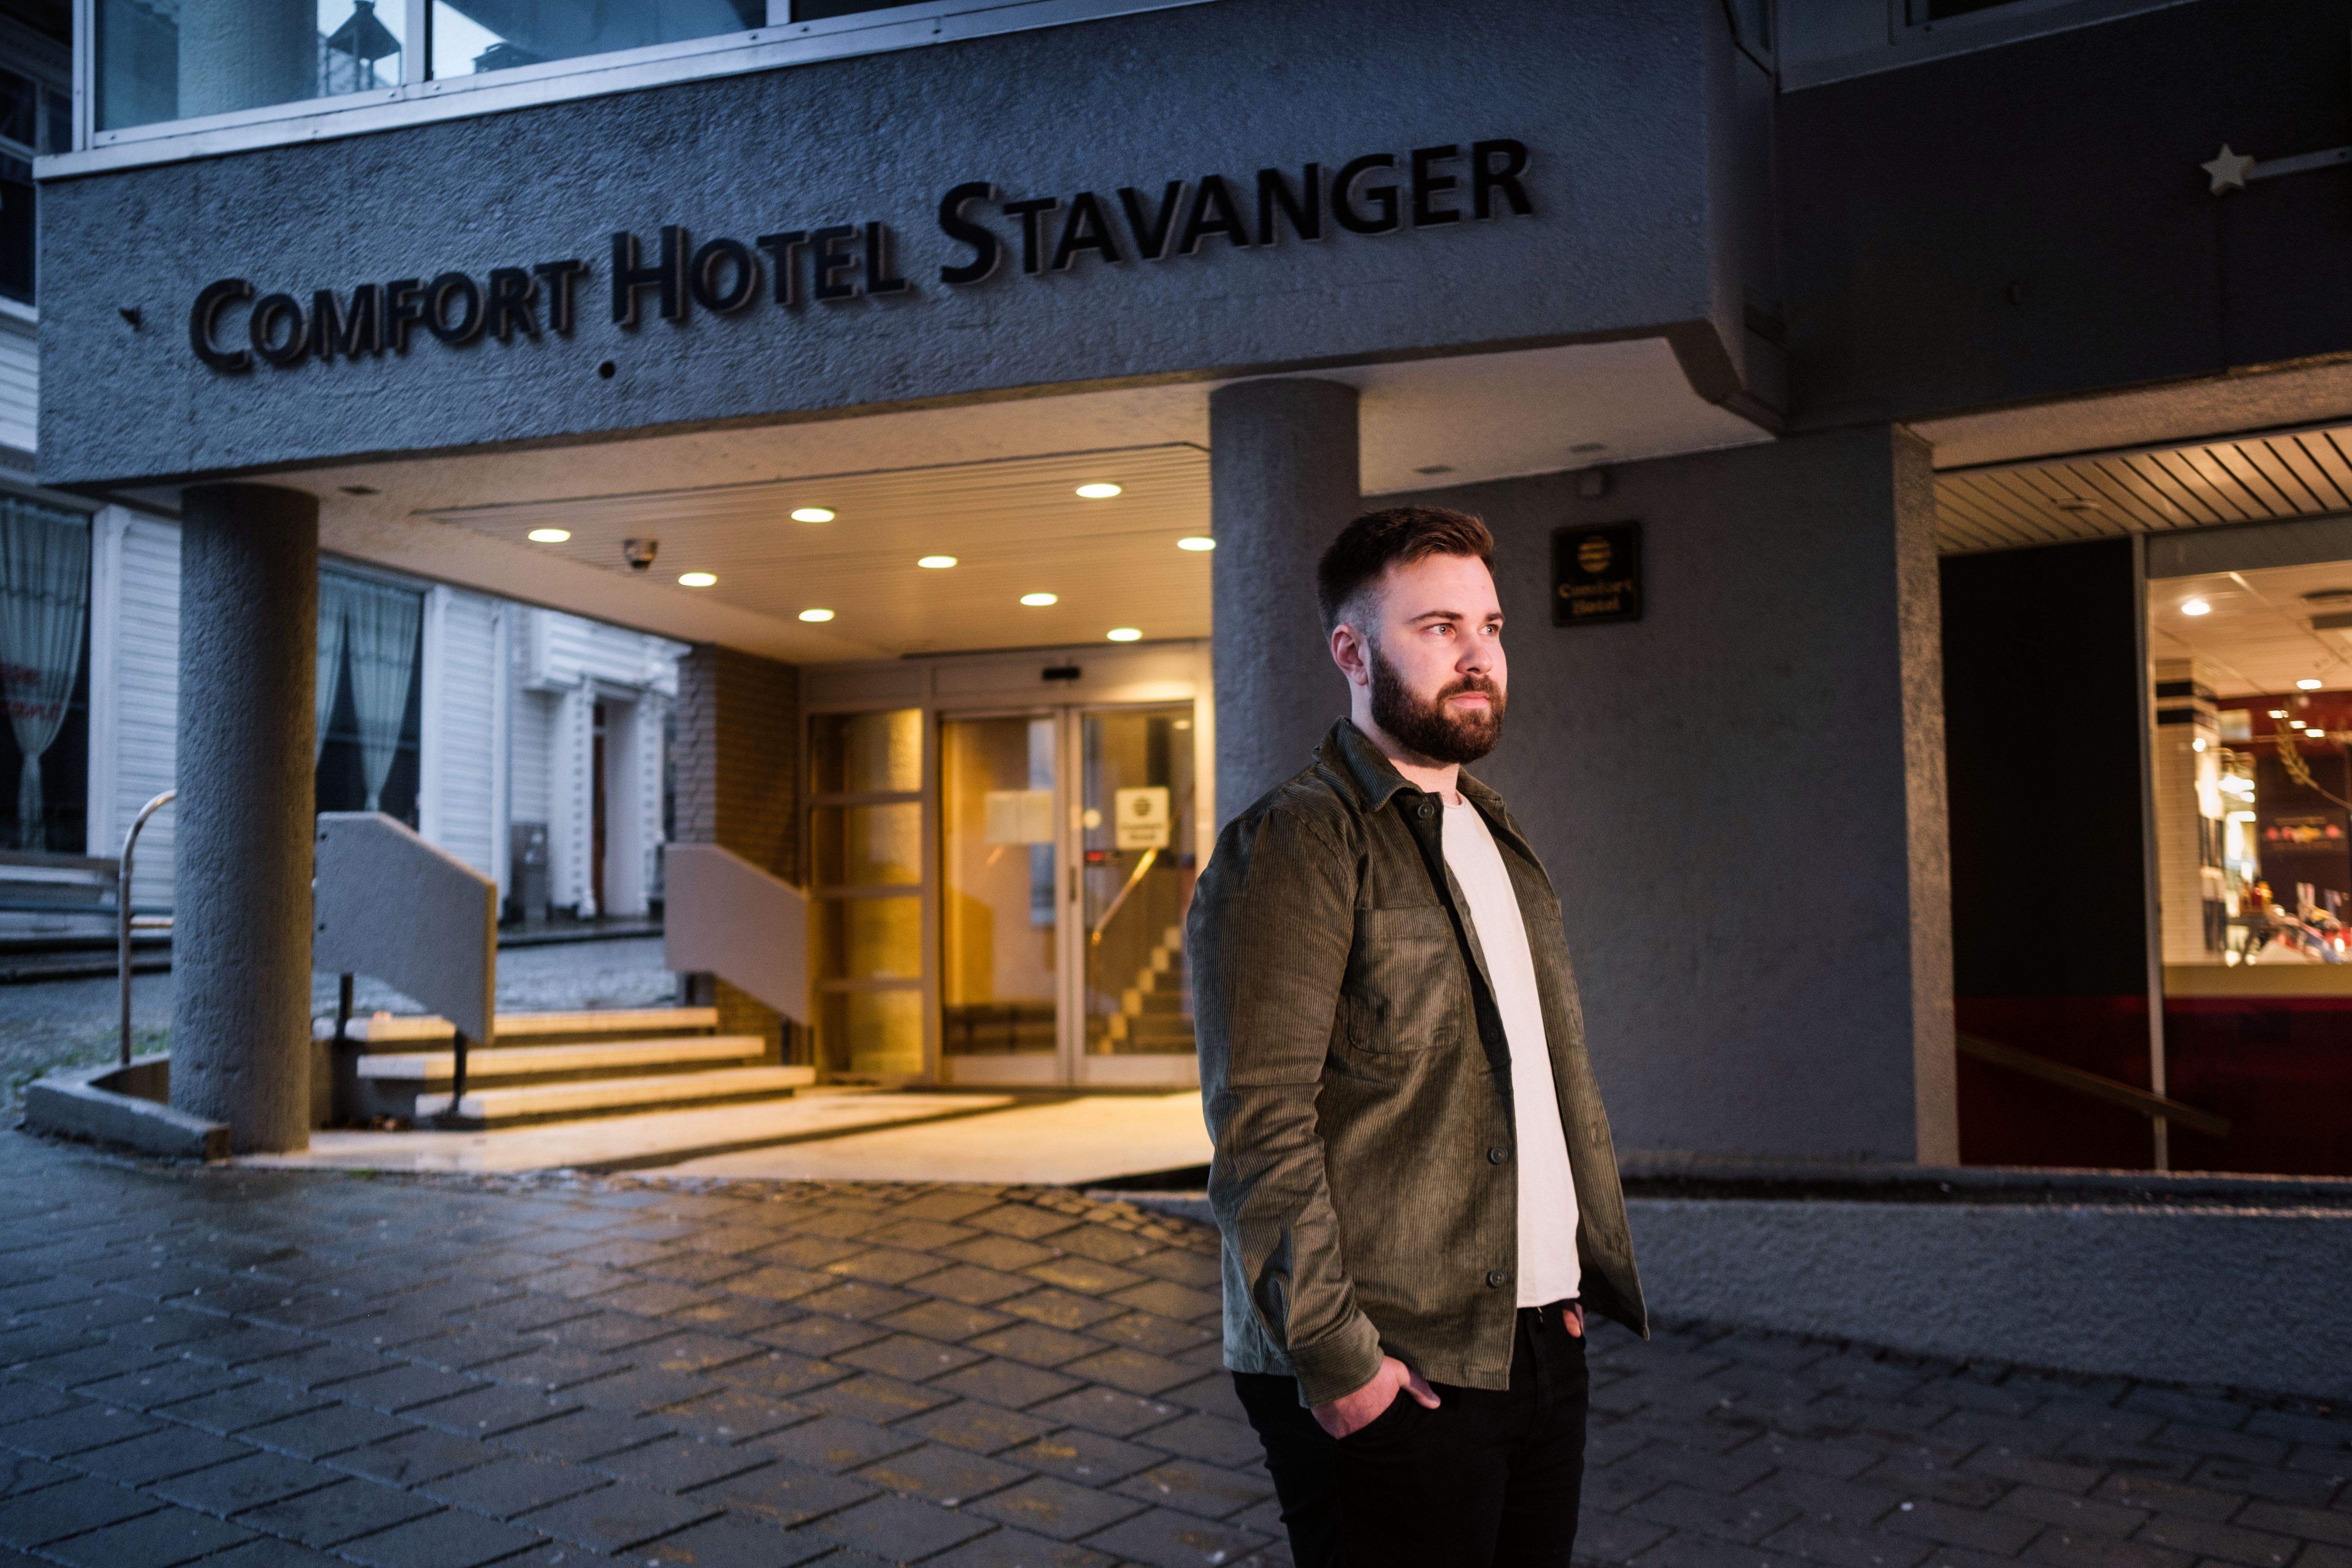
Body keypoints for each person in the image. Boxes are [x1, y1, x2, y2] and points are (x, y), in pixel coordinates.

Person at [1189, 505, 1646, 1568]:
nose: (1478, 653)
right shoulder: (1297, 842)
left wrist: (1560, 1281)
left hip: (1533, 1339)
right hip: (1392, 1360)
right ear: (1352, 652)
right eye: (1439, 627)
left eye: (1490, 626)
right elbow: (1258, 1128)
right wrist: (1342, 1362)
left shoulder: (1493, 830)